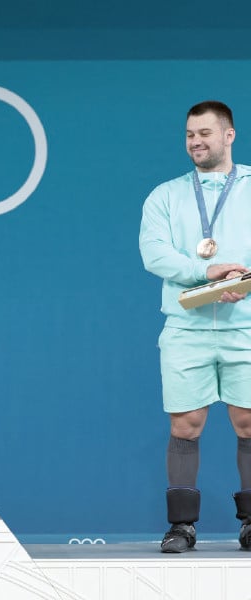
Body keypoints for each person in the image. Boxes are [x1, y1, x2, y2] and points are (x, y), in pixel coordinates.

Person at [140, 100, 251, 553]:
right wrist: (206, 273)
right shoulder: (166, 195)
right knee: (186, 425)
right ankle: (182, 527)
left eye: (205, 133)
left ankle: (250, 523)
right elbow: (154, 254)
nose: (196, 142)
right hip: (186, 328)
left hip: (245, 324)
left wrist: (241, 279)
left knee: (248, 421)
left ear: (229, 136)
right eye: (189, 134)